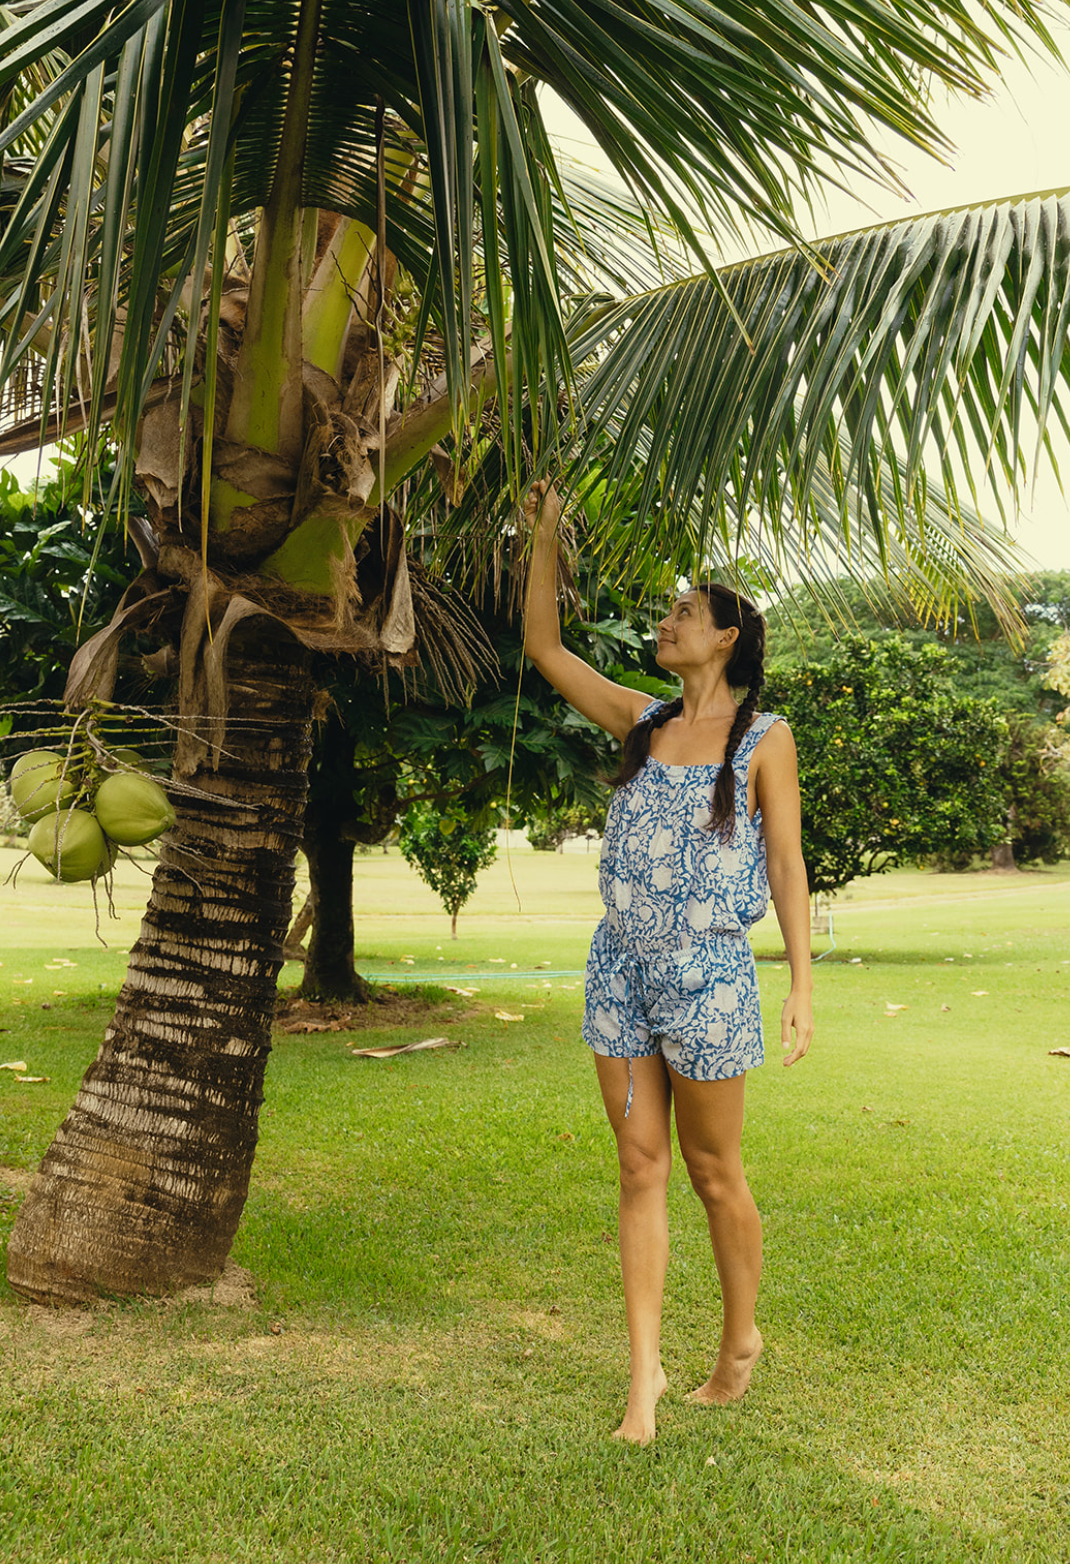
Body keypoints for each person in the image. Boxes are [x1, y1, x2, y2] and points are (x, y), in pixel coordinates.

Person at [521, 480, 814, 1446]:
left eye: (685, 611)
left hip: (712, 976)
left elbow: (784, 863)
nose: (667, 621)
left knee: (712, 1170)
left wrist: (802, 988)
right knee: (638, 1164)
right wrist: (548, 538)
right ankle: (643, 1379)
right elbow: (547, 649)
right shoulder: (643, 722)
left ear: (728, 635)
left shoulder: (765, 740)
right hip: (621, 971)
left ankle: (739, 1343)